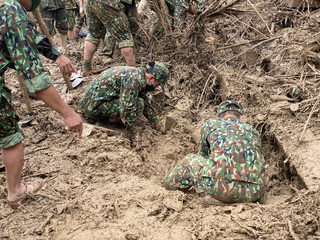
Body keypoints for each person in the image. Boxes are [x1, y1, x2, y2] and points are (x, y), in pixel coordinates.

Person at [0, 0, 83, 209]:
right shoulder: (10, 9)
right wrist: (68, 113)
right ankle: (16, 192)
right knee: (10, 136)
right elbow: (33, 77)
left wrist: (56, 55)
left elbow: (30, 35)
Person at [162, 100, 269, 203]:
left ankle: (166, 186)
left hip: (220, 187)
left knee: (189, 160)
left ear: (219, 117)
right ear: (241, 117)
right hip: (255, 191)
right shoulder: (253, 131)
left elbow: (203, 155)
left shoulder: (211, 124)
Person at [80, 61, 168, 141]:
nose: (156, 87)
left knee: (140, 102)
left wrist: (157, 125)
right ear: (151, 78)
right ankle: (106, 121)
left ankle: (110, 118)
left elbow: (146, 103)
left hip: (95, 102)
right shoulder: (133, 80)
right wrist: (134, 131)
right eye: (158, 84)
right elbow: (126, 109)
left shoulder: (138, 74)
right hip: (93, 107)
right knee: (138, 104)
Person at [83, 0, 137, 76]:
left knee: (93, 34)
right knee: (124, 36)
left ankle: (86, 67)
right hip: (108, 3)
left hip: (89, 3)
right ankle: (132, 71)